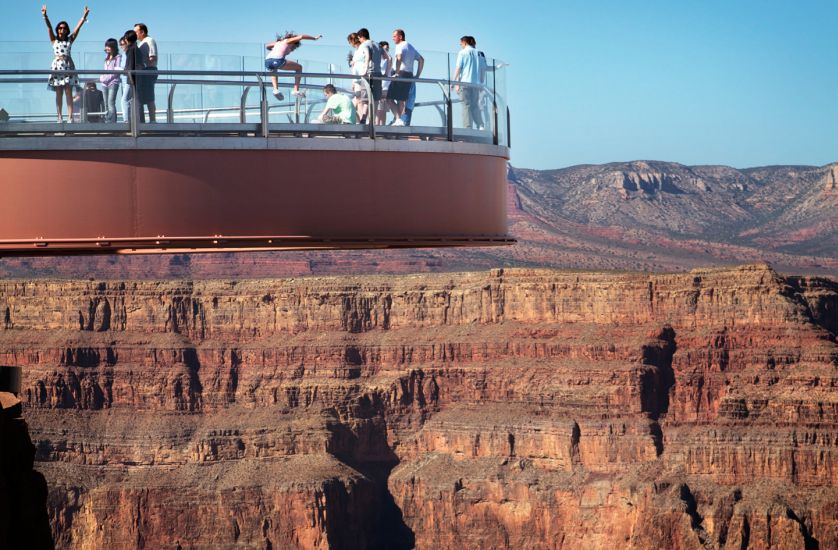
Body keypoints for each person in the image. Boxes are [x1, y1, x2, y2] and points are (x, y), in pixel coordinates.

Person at [41, 4, 89, 123]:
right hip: (57, 66)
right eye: (60, 28)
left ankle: (70, 117)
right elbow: (49, 28)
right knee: (58, 93)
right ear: (58, 29)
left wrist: (83, 17)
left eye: (64, 28)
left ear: (66, 30)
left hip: (68, 65)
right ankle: (59, 117)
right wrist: (45, 16)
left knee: (68, 92)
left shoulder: (69, 40)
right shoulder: (54, 40)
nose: (62, 30)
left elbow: (77, 29)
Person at [265, 32, 322, 100]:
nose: (292, 50)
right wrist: (314, 38)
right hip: (278, 60)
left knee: (274, 69)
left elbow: (267, 46)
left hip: (267, 61)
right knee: (299, 67)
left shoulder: (279, 43)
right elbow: (301, 36)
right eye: (294, 48)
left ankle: (275, 90)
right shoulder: (288, 40)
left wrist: (273, 49)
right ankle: (295, 90)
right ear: (294, 42)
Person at [388, 29, 424, 126]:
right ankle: (400, 121)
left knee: (389, 99)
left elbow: (399, 58)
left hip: (401, 74)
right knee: (401, 100)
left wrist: (397, 72)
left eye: (394, 36)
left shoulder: (400, 46)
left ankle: (398, 119)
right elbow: (421, 60)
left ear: (400, 36)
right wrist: (417, 76)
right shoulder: (411, 47)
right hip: (409, 75)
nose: (393, 38)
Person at [453, 35, 483, 130]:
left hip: (465, 83)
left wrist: (453, 82)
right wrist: (481, 82)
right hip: (476, 84)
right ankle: (481, 125)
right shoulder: (479, 53)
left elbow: (458, 68)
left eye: (461, 43)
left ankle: (468, 127)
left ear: (465, 43)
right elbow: (483, 69)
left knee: (466, 106)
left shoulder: (462, 53)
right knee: (474, 106)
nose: (460, 45)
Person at [356, 28, 382, 121]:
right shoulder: (377, 44)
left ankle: (366, 120)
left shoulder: (364, 44)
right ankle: (371, 121)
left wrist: (364, 71)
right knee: (375, 99)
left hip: (369, 74)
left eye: (359, 38)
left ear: (361, 37)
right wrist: (386, 73)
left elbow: (367, 56)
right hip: (378, 74)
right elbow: (389, 58)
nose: (359, 40)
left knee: (366, 99)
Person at [134, 23, 158, 122]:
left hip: (149, 70)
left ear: (142, 32)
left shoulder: (149, 41)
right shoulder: (140, 43)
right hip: (142, 71)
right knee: (143, 97)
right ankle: (143, 120)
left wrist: (142, 64)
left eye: (136, 32)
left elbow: (152, 57)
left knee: (149, 97)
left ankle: (153, 120)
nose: (135, 34)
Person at [122, 30, 146, 122]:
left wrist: (130, 77)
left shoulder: (131, 49)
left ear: (127, 39)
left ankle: (137, 122)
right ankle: (140, 121)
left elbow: (130, 65)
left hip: (134, 78)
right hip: (137, 77)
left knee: (135, 100)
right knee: (137, 99)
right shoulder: (135, 48)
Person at [99, 38, 122, 123]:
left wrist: (104, 78)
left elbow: (116, 72)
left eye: (109, 46)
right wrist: (103, 78)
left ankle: (113, 122)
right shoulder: (106, 57)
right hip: (104, 84)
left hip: (113, 82)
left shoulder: (118, 57)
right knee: (105, 103)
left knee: (111, 102)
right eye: (106, 46)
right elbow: (105, 70)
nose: (107, 48)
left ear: (113, 47)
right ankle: (107, 120)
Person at [118, 36, 131, 122]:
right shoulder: (122, 55)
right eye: (120, 45)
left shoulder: (129, 54)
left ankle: (126, 120)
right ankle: (129, 119)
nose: (121, 46)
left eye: (122, 44)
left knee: (124, 99)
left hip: (129, 80)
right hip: (123, 81)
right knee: (127, 100)